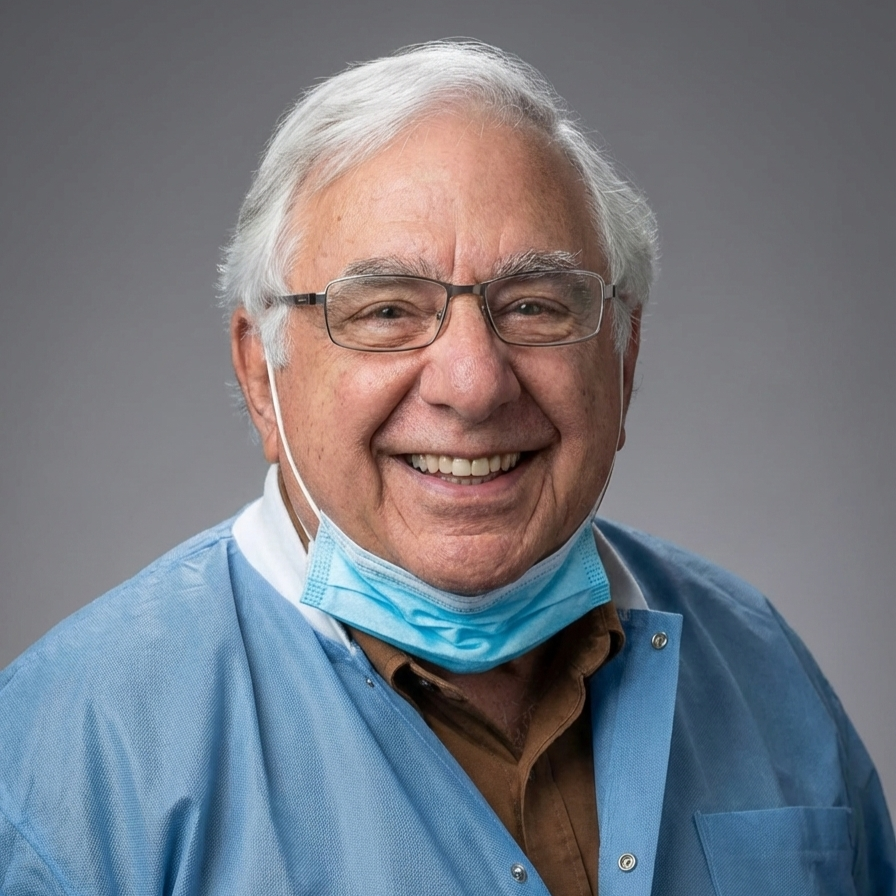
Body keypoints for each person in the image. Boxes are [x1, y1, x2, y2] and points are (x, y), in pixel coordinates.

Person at [0, 40, 892, 896]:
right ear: (261, 375)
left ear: (623, 359)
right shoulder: (72, 749)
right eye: (387, 310)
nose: (473, 385)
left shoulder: (760, 666)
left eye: (535, 305)